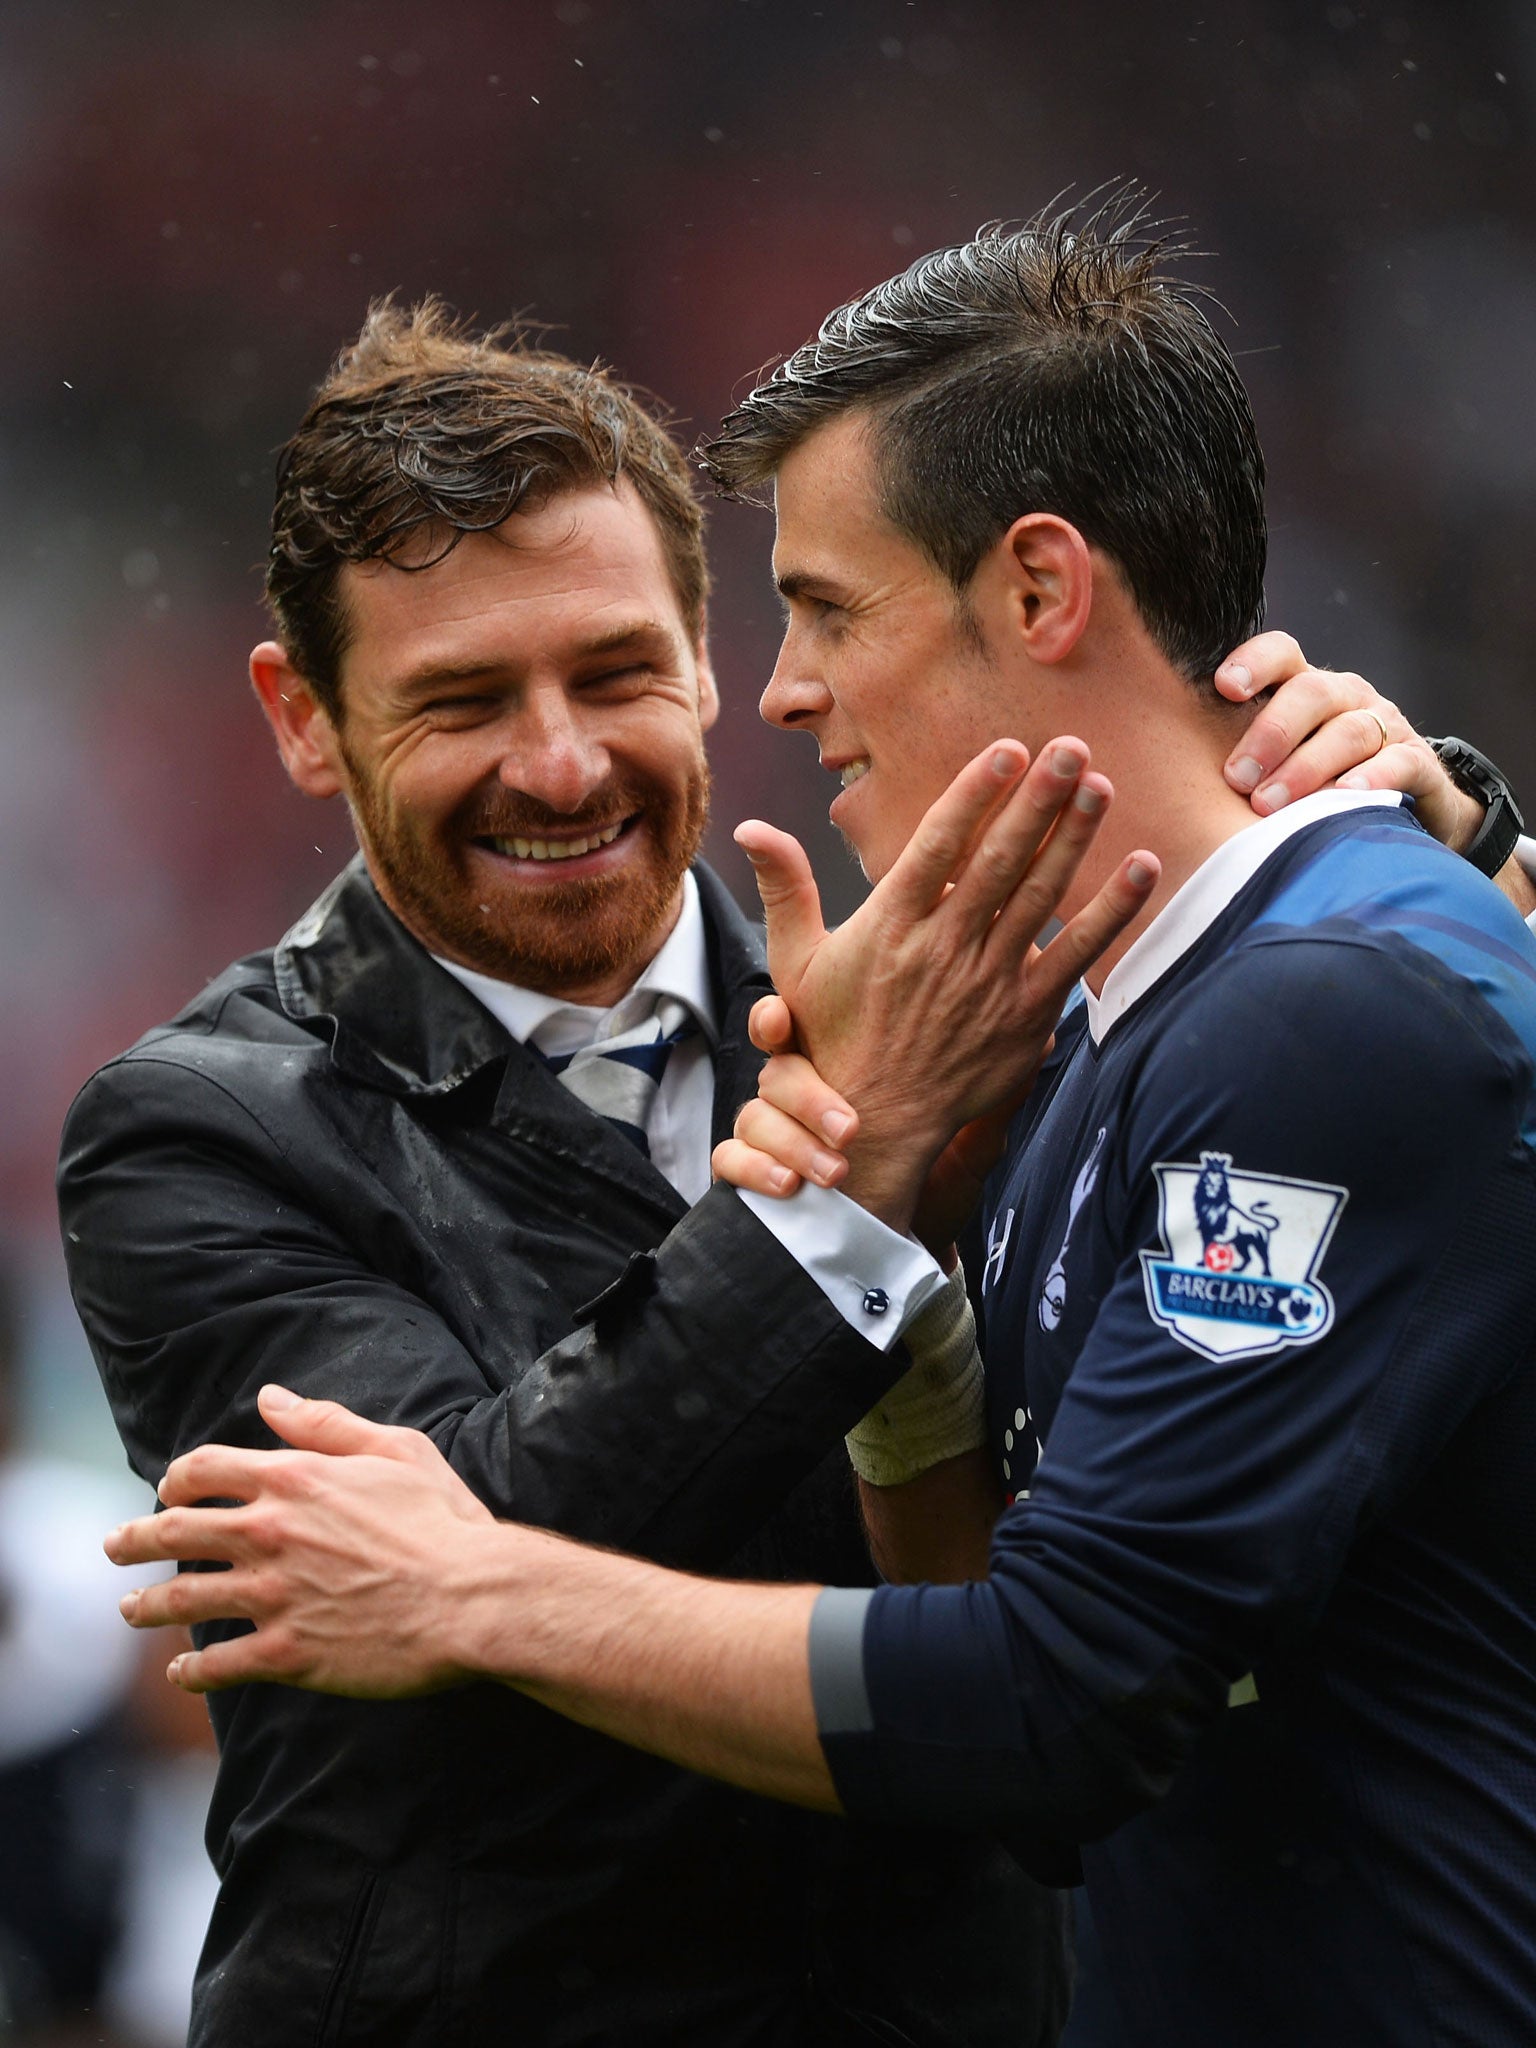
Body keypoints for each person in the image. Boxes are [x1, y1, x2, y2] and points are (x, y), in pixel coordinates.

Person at [106, 210, 1536, 2048]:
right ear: (303, 720)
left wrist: (1484, 872)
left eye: (811, 614)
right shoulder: (195, 1132)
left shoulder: (1191, 1010)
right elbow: (998, 1608)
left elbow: (1057, 1699)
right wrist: (865, 1257)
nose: (563, 761)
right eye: (464, 700)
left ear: (1036, 592)